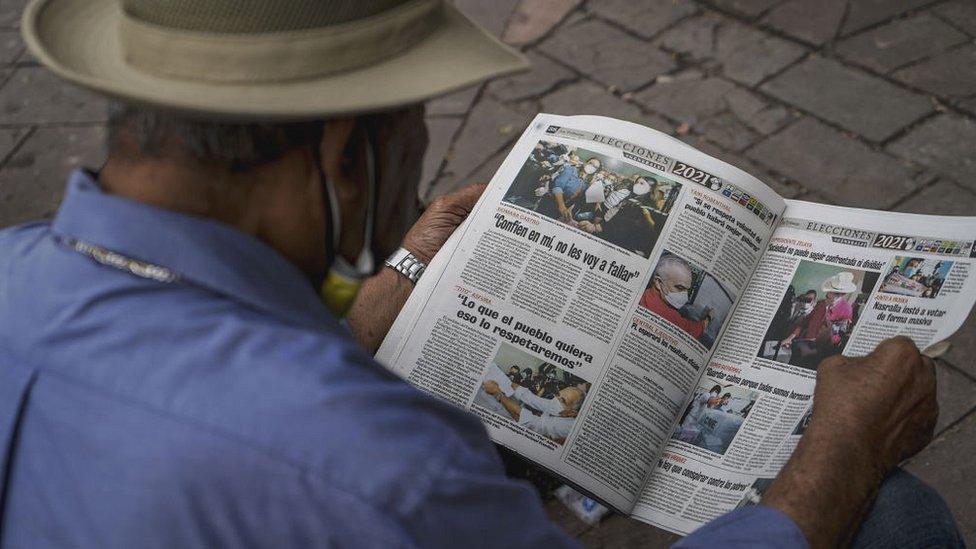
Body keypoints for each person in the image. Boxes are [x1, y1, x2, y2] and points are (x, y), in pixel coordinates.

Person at [0, 1, 962, 548]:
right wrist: (839, 445)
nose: (418, 159)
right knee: (894, 519)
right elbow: (293, 440)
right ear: (342, 153)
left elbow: (194, 378)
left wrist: (398, 274)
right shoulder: (381, 467)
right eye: (412, 130)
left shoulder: (17, 269)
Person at [781, 272, 858, 370]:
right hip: (800, 344)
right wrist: (790, 338)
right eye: (831, 292)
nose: (831, 295)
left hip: (818, 354)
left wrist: (819, 341)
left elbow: (837, 337)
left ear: (843, 294)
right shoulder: (821, 303)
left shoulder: (847, 310)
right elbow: (804, 322)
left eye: (836, 293)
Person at [482, 380, 584, 443]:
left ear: (572, 413)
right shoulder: (557, 406)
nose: (556, 399)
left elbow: (527, 420)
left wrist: (498, 393)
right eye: (558, 394)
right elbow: (533, 399)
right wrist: (505, 381)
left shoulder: (566, 427)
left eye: (563, 401)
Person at [640, 254, 713, 340]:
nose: (685, 297)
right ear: (658, 283)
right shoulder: (668, 317)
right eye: (679, 288)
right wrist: (708, 318)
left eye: (687, 290)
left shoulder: (647, 294)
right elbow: (691, 330)